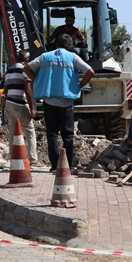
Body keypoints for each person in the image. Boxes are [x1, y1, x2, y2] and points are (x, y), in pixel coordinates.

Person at [24, 34, 94, 173]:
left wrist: (38, 80)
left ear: (56, 44)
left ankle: (55, 166)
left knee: (52, 133)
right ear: (70, 45)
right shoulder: (73, 57)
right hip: (67, 101)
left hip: (49, 100)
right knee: (67, 134)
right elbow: (90, 71)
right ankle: (67, 165)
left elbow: (27, 68)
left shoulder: (44, 57)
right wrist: (79, 86)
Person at [3, 49, 40, 167]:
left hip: (9, 104)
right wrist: (32, 108)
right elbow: (28, 90)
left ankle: (13, 158)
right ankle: (33, 160)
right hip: (20, 104)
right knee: (30, 131)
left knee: (13, 133)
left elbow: (5, 90)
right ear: (27, 60)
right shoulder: (25, 70)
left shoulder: (9, 70)